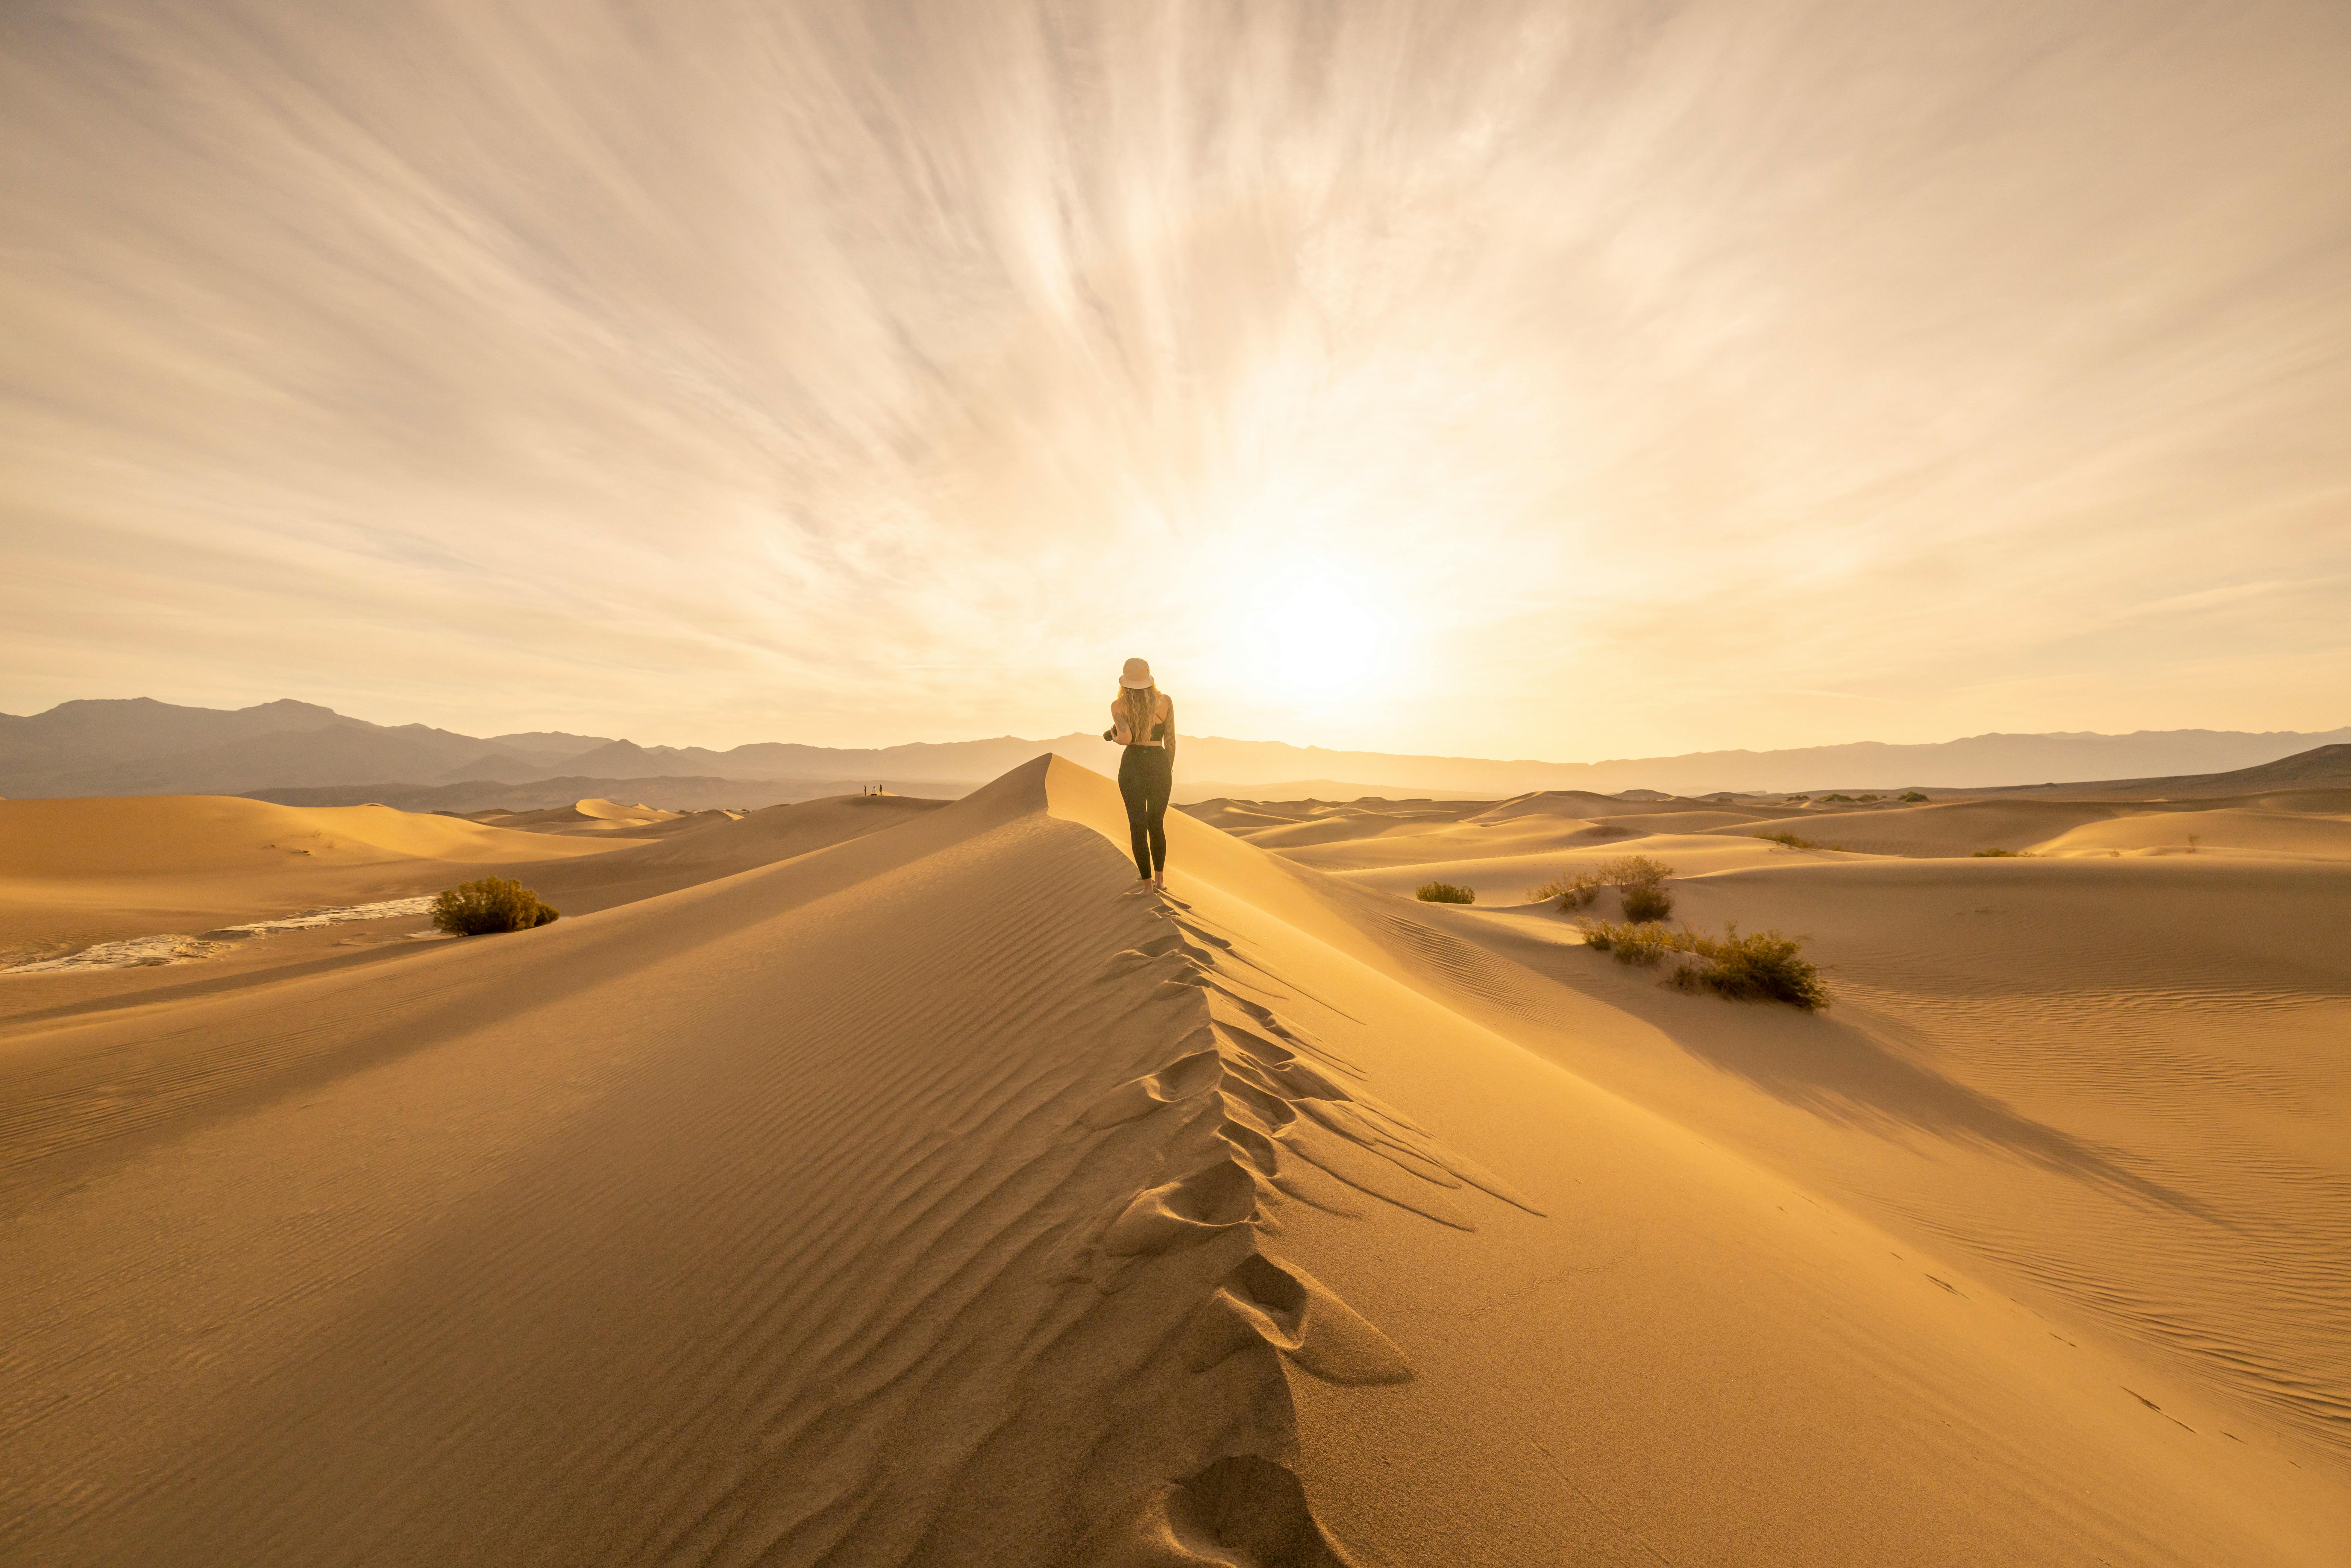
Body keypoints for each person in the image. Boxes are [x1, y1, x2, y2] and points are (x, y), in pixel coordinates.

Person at [1105, 656, 1175, 889]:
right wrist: (1169, 767)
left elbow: (1125, 738)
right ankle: (1161, 881)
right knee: (1157, 823)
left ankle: (1147, 886)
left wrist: (1115, 736)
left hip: (1133, 764)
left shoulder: (1118, 705)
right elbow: (1171, 739)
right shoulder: (1165, 701)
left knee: (1138, 825)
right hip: (1159, 764)